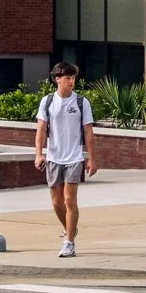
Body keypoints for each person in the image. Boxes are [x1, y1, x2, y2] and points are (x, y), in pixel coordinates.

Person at [33, 62, 96, 258]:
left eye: (73, 78)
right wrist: (38, 154)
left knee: (69, 199)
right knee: (56, 202)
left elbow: (88, 131)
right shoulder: (47, 101)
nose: (71, 81)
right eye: (68, 78)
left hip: (74, 158)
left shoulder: (82, 102)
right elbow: (41, 129)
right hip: (54, 157)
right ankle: (70, 228)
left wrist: (91, 158)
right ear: (57, 79)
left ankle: (69, 242)